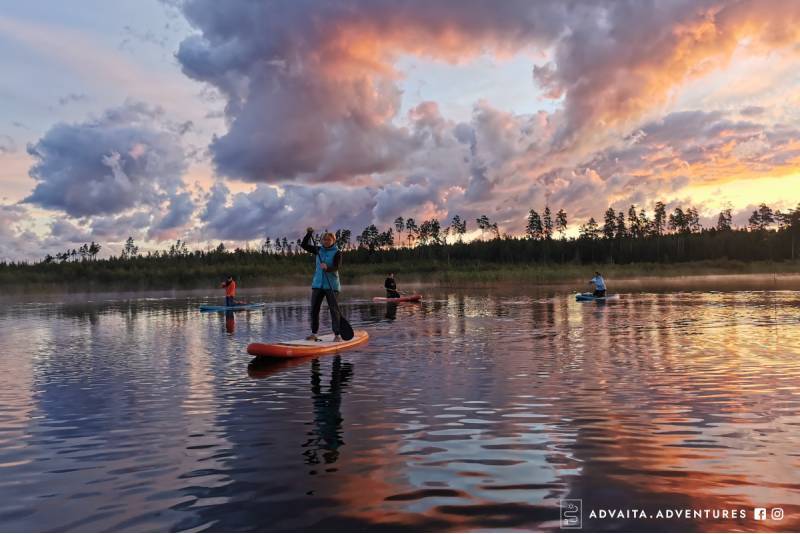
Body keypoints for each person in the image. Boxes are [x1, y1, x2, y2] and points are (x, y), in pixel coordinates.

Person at [301, 228, 342, 342]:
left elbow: (337, 267)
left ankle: (337, 335)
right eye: (324, 239)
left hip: (332, 286)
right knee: (314, 309)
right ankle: (314, 334)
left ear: (333, 240)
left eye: (329, 240)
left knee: (334, 310)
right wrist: (309, 234)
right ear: (321, 241)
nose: (326, 241)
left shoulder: (337, 252)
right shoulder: (318, 250)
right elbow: (304, 245)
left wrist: (327, 268)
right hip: (318, 285)